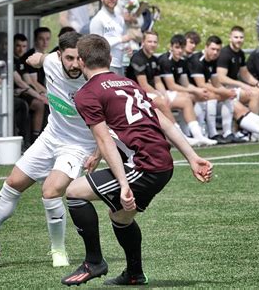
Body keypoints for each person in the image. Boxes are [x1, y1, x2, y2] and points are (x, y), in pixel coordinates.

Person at [60, 34, 213, 286]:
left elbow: (105, 140)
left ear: (81, 60)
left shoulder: (86, 93)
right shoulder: (126, 82)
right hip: (161, 163)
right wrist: (192, 156)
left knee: (75, 192)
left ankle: (94, 261)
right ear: (109, 58)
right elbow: (161, 120)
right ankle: (134, 274)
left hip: (144, 166)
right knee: (120, 217)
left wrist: (123, 184)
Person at [0, 32, 100, 268]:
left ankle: (58, 250)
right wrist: (35, 58)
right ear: (59, 55)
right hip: (50, 136)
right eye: (69, 58)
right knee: (12, 183)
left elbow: (109, 119)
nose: (74, 65)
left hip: (78, 146)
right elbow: (39, 59)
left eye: (78, 59)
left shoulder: (92, 79)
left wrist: (98, 152)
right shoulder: (51, 61)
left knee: (50, 191)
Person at [189, 35, 259, 142]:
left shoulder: (214, 59)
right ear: (206, 47)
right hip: (196, 95)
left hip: (206, 94)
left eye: (218, 50)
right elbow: (202, 85)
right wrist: (225, 91)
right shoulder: (198, 60)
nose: (215, 52)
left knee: (236, 103)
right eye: (213, 49)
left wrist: (226, 92)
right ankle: (213, 134)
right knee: (222, 97)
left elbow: (216, 83)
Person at [126, 31, 200, 146]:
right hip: (137, 94)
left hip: (151, 93)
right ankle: (179, 138)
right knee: (161, 102)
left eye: (155, 42)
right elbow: (143, 85)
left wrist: (164, 93)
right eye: (149, 41)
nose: (152, 44)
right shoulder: (138, 58)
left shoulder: (153, 59)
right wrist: (160, 95)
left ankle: (198, 135)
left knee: (186, 100)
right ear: (143, 42)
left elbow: (158, 81)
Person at [157, 34, 218, 146]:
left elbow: (185, 84)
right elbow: (171, 86)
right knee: (187, 99)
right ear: (171, 47)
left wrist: (198, 91)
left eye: (182, 47)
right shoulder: (165, 60)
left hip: (172, 93)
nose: (180, 50)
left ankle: (196, 134)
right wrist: (194, 91)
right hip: (162, 93)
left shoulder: (182, 61)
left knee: (198, 96)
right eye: (177, 47)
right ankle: (187, 136)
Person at [216, 26, 259, 126]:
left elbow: (245, 74)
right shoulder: (225, 54)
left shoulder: (240, 54)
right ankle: (255, 129)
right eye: (236, 37)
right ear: (230, 38)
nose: (239, 40)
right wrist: (241, 85)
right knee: (254, 94)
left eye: (241, 37)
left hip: (235, 87)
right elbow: (221, 78)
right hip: (224, 89)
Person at [89, 0, 141, 76]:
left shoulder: (119, 17)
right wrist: (121, 39)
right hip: (105, 66)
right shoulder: (98, 19)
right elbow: (95, 46)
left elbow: (123, 37)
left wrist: (127, 47)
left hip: (121, 64)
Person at [14, 33, 48, 146]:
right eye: (18, 46)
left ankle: (39, 138)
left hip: (23, 93)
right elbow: (21, 83)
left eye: (24, 46)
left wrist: (43, 94)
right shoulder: (12, 60)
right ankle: (32, 139)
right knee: (38, 104)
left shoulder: (21, 61)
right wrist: (40, 96)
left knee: (43, 103)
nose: (21, 49)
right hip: (14, 95)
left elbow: (28, 81)